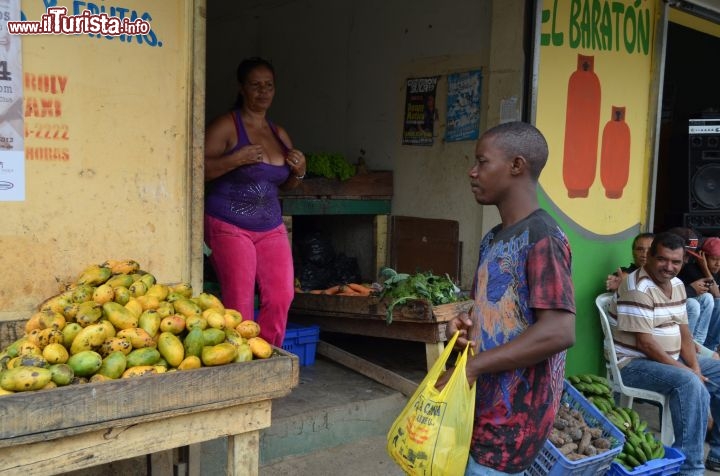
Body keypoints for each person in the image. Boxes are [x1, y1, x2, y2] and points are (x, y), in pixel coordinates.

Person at [438, 122, 576, 475]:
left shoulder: (542, 237)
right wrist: (464, 328)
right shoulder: (493, 238)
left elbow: (559, 331)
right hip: (479, 414)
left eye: (482, 162)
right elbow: (491, 315)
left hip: (512, 425)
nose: (472, 171)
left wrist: (473, 366)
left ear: (517, 166)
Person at [203, 57, 306, 347]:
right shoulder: (227, 125)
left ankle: (267, 353)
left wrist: (299, 171)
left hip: (270, 226)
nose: (263, 92)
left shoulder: (279, 133)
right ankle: (238, 365)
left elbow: (285, 184)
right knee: (240, 302)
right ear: (241, 88)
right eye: (255, 85)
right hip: (229, 224)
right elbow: (198, 170)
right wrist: (236, 159)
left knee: (282, 295)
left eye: (269, 86)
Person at [608, 231, 720, 474]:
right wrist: (691, 375)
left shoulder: (678, 285)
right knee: (689, 382)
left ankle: (717, 449)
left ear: (683, 262)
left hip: (669, 358)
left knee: (714, 372)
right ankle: (690, 468)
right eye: (662, 259)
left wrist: (697, 369)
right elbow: (645, 345)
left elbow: (684, 334)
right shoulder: (637, 287)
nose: (669, 267)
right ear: (649, 257)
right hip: (633, 365)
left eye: (676, 262)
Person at [668, 227, 715, 348]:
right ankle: (687, 346)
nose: (688, 260)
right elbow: (663, 294)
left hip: (677, 303)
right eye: (686, 254)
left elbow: (717, 294)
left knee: (707, 298)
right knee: (693, 304)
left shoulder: (686, 265)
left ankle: (698, 344)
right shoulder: (666, 264)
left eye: (690, 255)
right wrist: (690, 289)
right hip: (664, 313)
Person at [698, 237, 720, 352]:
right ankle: (710, 348)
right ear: (703, 257)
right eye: (714, 259)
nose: (718, 264)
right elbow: (717, 295)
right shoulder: (695, 271)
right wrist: (705, 268)